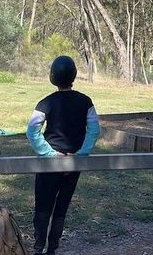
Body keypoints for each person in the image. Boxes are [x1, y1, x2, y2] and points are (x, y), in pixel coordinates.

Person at [26, 55, 101, 255]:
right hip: (73, 164)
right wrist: (80, 155)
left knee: (43, 207)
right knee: (61, 209)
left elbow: (32, 131)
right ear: (74, 75)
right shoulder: (86, 102)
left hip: (49, 165)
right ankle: (53, 249)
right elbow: (94, 130)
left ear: (52, 76)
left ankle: (38, 247)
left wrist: (49, 154)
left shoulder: (46, 103)